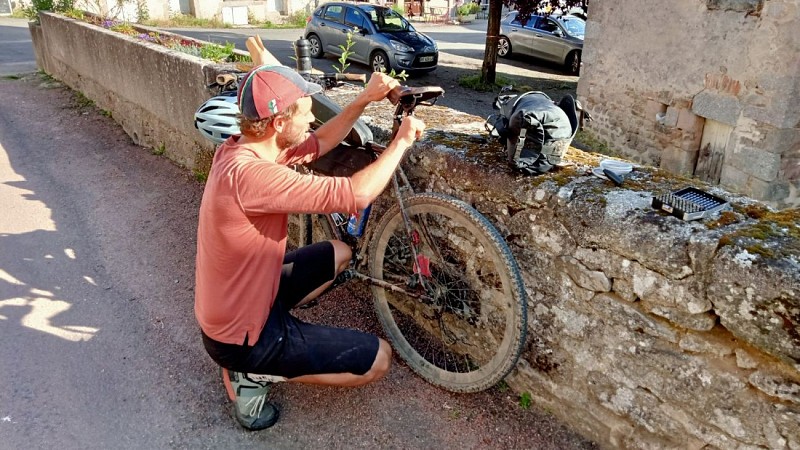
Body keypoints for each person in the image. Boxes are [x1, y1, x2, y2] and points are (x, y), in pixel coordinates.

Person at [194, 65, 426, 431]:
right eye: (305, 113)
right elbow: (356, 194)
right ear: (278, 124)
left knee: (339, 252)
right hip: (240, 336)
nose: (312, 118)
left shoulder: (244, 148)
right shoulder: (255, 176)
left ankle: (272, 347)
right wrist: (401, 141)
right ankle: (254, 373)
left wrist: (364, 98)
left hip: (244, 299)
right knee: (378, 359)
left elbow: (320, 144)